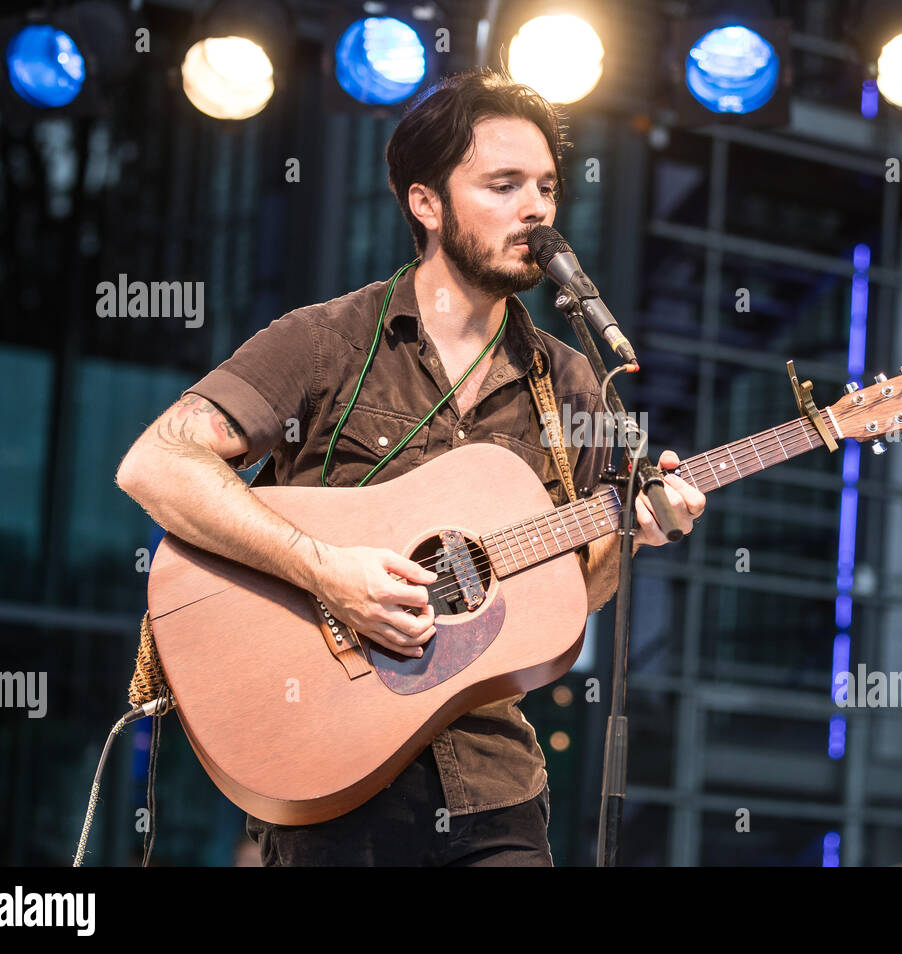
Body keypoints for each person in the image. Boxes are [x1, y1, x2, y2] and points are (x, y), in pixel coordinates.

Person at [115, 68, 706, 866]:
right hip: (329, 765)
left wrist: (634, 531)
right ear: (427, 203)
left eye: (546, 187)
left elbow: (572, 596)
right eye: (503, 185)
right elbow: (157, 463)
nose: (536, 209)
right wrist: (328, 572)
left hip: (494, 789)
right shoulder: (325, 342)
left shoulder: (571, 382)